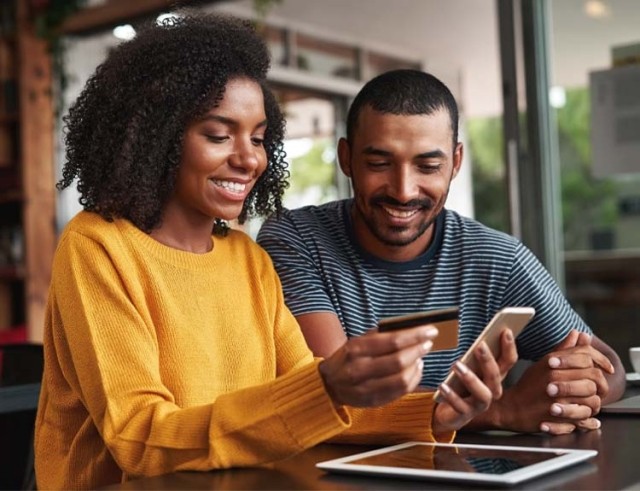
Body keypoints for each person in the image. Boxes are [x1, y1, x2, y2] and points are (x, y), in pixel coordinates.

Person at [34, 17, 516, 490]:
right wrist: (325, 388)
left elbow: (309, 403)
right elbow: (140, 439)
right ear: (157, 138)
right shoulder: (98, 247)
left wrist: (432, 411)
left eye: (259, 138)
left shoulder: (246, 258)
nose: (249, 159)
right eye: (219, 135)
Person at [257, 68, 626, 436]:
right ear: (346, 158)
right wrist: (504, 410)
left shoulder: (496, 259)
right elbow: (334, 398)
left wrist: (568, 390)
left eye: (428, 166)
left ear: (456, 163)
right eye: (379, 163)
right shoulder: (296, 240)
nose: (403, 190)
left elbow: (610, 368)